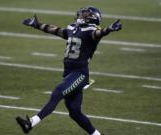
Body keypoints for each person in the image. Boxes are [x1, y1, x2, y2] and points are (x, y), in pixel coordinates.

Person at [16, 6, 122, 135]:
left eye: (85, 14)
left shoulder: (92, 31)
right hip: (69, 74)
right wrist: (37, 25)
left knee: (57, 92)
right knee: (75, 113)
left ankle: (31, 123)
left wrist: (109, 29)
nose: (81, 15)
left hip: (80, 74)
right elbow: (56, 30)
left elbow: (98, 33)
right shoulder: (73, 28)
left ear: (92, 18)